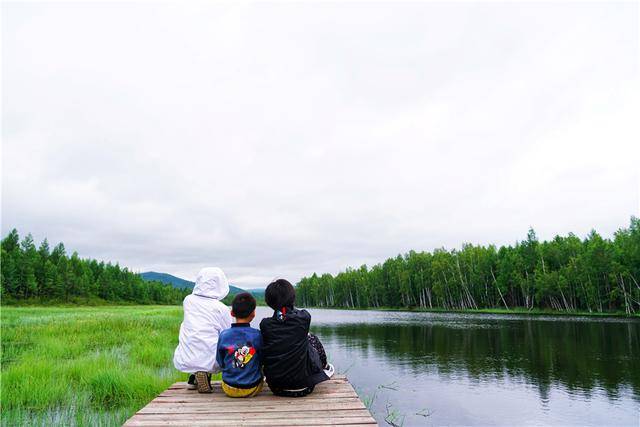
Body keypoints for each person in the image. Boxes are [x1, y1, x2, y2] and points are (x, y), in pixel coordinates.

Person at [259, 278, 334, 397]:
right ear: (292, 298)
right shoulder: (304, 318)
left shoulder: (265, 325)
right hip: (305, 387)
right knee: (311, 338)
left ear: (269, 302)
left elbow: (281, 321)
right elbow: (292, 318)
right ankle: (324, 366)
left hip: (276, 388)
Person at [173, 267, 232, 393]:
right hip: (211, 357)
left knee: (192, 334)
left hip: (187, 355)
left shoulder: (188, 300)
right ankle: (205, 374)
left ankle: (194, 378)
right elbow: (227, 332)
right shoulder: (221, 308)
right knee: (216, 340)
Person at [216, 292, 264, 397]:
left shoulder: (224, 335)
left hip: (228, 387)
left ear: (232, 313)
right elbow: (261, 360)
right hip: (252, 388)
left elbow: (220, 361)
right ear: (253, 314)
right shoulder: (257, 335)